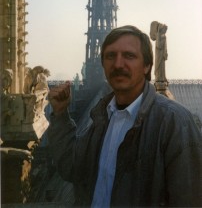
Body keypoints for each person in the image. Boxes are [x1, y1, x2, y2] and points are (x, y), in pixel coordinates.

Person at [48, 25, 202, 207]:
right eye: (110, 56)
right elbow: (72, 166)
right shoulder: (102, 117)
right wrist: (60, 114)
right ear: (103, 64)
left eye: (129, 56)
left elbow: (188, 199)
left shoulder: (176, 122)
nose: (118, 64)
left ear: (147, 66)